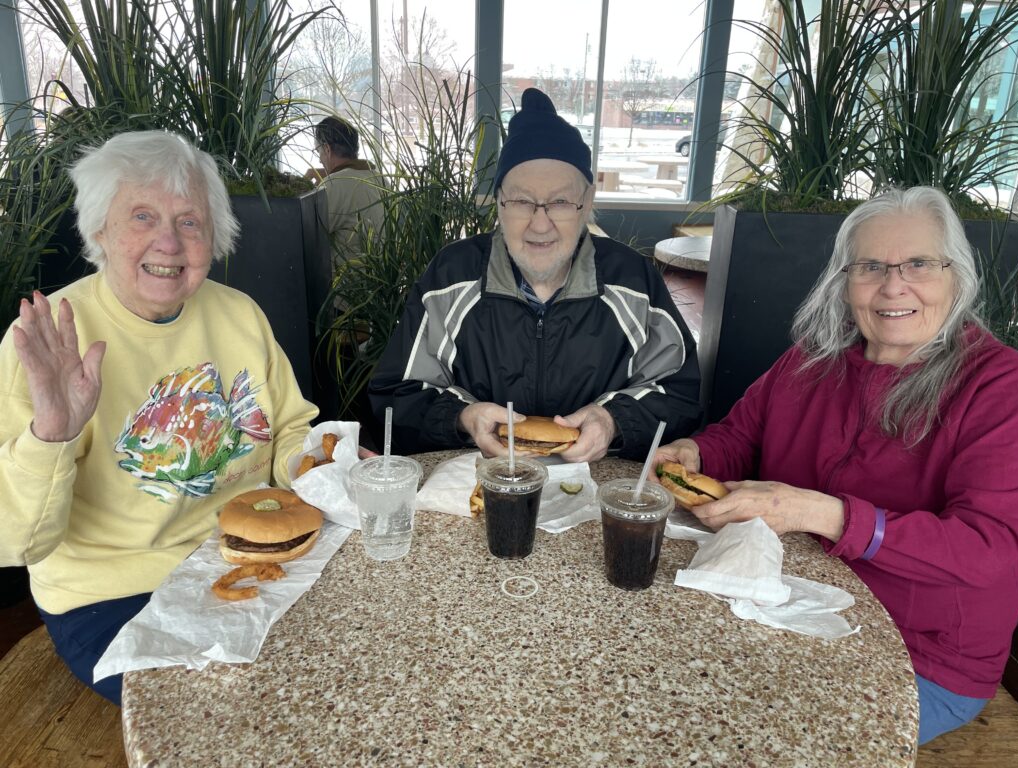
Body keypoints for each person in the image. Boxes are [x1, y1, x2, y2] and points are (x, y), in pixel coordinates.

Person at [654, 187, 1018, 744]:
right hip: (776, 600)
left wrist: (825, 514)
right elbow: (738, 436)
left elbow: (990, 550)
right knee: (666, 696)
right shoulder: (812, 357)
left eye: (919, 264)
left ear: (958, 276)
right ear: (844, 281)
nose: (893, 285)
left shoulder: (1002, 387)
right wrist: (696, 454)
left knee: (749, 740)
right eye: (870, 266)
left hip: (917, 653)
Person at [0, 131, 319, 706]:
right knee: (217, 714)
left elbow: (291, 430)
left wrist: (321, 462)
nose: (168, 242)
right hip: (114, 593)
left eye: (189, 222)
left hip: (244, 558)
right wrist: (54, 434)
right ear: (99, 229)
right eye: (142, 216)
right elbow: (13, 540)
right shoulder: (47, 344)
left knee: (333, 673)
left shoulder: (239, 314)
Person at [369, 88, 702, 462]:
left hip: (595, 491)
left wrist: (612, 421)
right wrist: (464, 418)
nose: (539, 224)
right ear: (498, 203)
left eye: (559, 202)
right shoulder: (450, 277)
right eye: (522, 201)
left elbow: (679, 392)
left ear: (587, 204)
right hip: (478, 486)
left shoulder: (634, 281)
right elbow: (397, 393)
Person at [306, 116, 385, 270]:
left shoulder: (334, 185)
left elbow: (308, 236)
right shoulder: (379, 177)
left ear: (327, 149)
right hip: (381, 284)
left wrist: (306, 188)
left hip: (346, 287)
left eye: (318, 151)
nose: (320, 160)